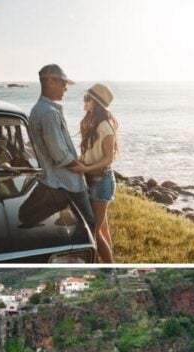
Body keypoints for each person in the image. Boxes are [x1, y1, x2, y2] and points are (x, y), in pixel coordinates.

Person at [25, 64, 96, 236]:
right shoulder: (49, 112)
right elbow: (60, 155)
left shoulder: (38, 109)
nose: (65, 89)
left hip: (52, 179)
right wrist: (82, 167)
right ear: (50, 82)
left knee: (64, 225)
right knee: (87, 225)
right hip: (66, 182)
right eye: (63, 84)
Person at [76, 83, 118, 263]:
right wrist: (81, 161)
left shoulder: (105, 127)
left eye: (87, 98)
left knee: (93, 230)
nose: (84, 101)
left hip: (101, 180)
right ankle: (110, 262)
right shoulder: (90, 121)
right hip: (92, 177)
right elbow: (89, 152)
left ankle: (108, 270)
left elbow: (109, 158)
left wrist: (85, 168)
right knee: (102, 228)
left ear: (96, 103)